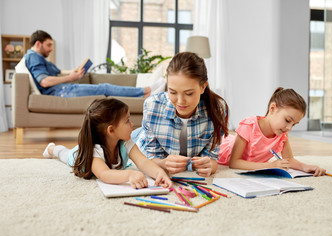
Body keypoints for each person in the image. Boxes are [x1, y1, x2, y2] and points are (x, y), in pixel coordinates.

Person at [133, 52, 229, 177]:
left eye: (188, 93)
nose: (180, 101)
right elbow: (151, 156)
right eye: (172, 92)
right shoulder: (152, 106)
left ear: (203, 87)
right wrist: (163, 163)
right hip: (138, 139)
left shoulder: (217, 109)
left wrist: (209, 166)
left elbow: (212, 158)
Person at [42, 98, 172, 189]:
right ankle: (52, 148)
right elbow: (104, 174)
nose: (132, 124)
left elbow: (143, 161)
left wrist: (159, 173)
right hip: (79, 156)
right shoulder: (95, 151)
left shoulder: (126, 142)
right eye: (127, 121)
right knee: (64, 154)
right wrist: (130, 174)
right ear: (111, 130)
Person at [219, 87, 326, 177]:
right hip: (222, 147)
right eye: (288, 121)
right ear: (272, 108)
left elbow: (289, 159)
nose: (289, 128)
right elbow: (234, 163)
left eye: (294, 124)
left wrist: (305, 167)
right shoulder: (249, 126)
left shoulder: (282, 133)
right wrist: (271, 166)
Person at [25, 30, 163, 98]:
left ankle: (145, 92)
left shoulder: (38, 58)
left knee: (103, 88)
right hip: (61, 92)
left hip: (63, 89)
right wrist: (71, 78)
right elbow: (44, 82)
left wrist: (74, 71)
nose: (51, 48)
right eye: (48, 45)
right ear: (38, 44)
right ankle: (146, 91)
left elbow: (57, 72)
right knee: (104, 88)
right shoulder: (34, 57)